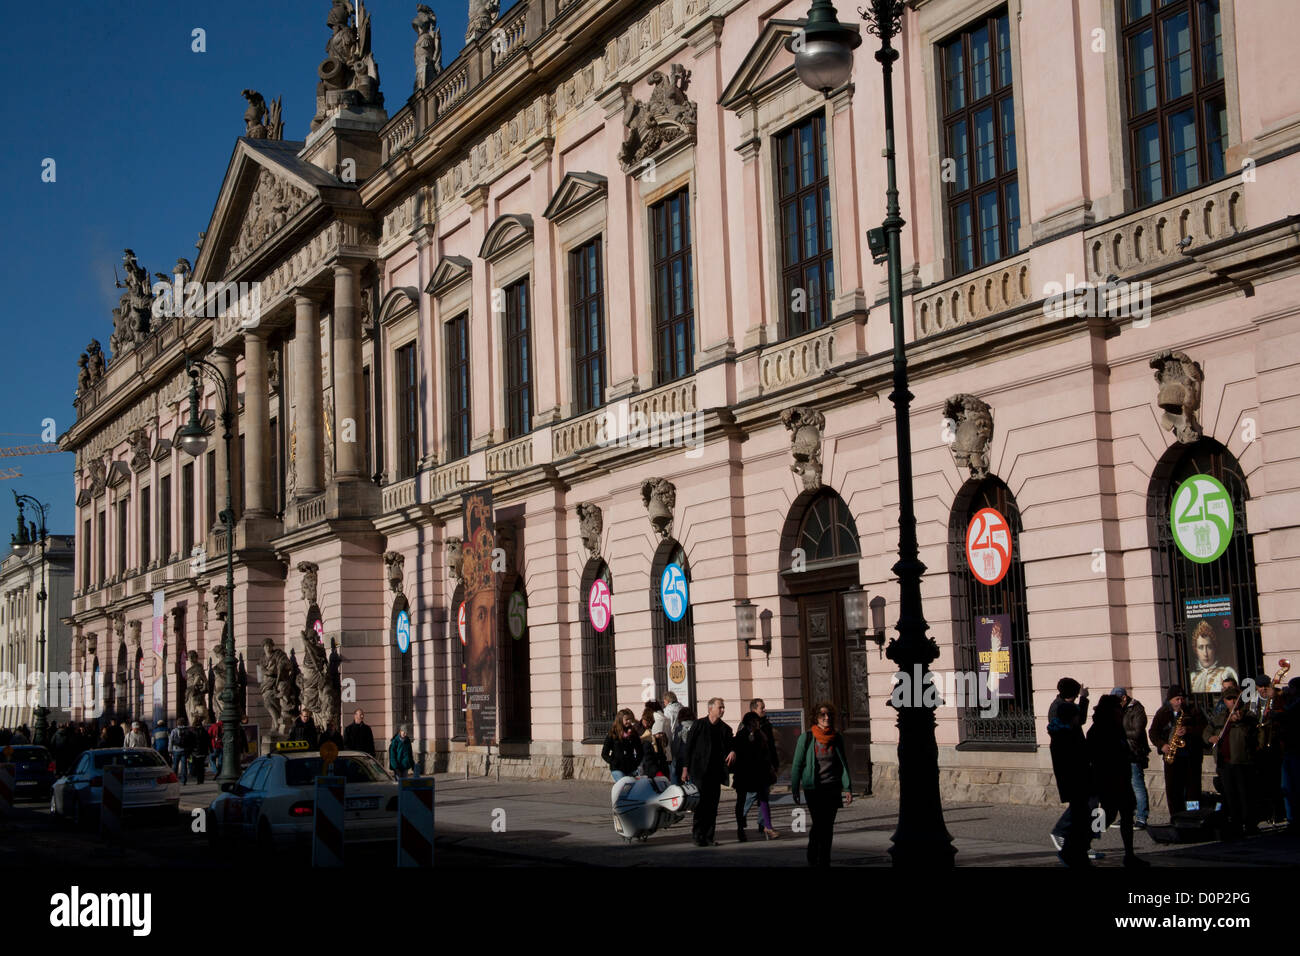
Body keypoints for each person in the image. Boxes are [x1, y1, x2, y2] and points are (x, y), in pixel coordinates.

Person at [1088, 694, 1148, 866]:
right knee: (1108, 816)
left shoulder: (1116, 727)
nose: (1120, 711)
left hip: (1122, 778)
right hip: (1108, 780)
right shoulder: (1098, 730)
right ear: (1109, 710)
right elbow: (1094, 755)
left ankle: (1129, 854)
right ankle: (1081, 840)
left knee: (1127, 816)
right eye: (1117, 708)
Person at [790, 702, 852, 866]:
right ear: (816, 717)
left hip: (832, 787)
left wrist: (847, 787)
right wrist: (795, 788)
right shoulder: (807, 737)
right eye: (822, 715)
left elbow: (842, 763)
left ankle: (825, 858)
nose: (826, 718)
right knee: (819, 823)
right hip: (814, 788)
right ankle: (813, 854)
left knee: (828, 825)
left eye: (829, 715)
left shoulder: (837, 737)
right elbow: (797, 764)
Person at [1048, 677, 1093, 866]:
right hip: (1074, 774)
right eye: (1075, 695)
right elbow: (1080, 720)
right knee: (1081, 809)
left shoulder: (1063, 710)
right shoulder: (1060, 712)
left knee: (1082, 808)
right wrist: (1083, 700)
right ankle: (1068, 840)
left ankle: (1078, 846)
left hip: (1076, 772)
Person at [680, 697, 735, 847]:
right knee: (700, 805)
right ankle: (698, 836)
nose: (722, 710)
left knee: (712, 806)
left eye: (723, 707)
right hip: (699, 772)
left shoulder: (725, 729)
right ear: (710, 709)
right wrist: (685, 768)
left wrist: (732, 751)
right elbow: (688, 747)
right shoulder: (698, 725)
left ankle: (709, 837)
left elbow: (732, 744)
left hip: (715, 773)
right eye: (720, 707)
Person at [1205, 682, 1258, 836]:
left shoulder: (1247, 716)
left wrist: (1240, 722)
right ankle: (1235, 824)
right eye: (1229, 699)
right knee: (1230, 796)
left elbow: (1250, 735)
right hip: (1224, 762)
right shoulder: (1220, 717)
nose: (1232, 702)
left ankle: (1249, 824)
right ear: (1224, 701)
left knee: (1244, 795)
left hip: (1241, 762)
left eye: (1235, 698)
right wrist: (1211, 738)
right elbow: (1207, 732)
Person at [1149, 684, 1207, 821]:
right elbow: (1153, 732)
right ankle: (1176, 817)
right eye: (1177, 699)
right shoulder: (1162, 713)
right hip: (1172, 757)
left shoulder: (1193, 712)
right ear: (1170, 700)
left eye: (1181, 699)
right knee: (1173, 790)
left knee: (1193, 790)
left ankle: (1194, 816)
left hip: (1191, 757)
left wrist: (1188, 730)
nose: (1180, 702)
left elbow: (1203, 729)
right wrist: (1162, 745)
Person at [733, 710, 778, 841]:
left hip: (760, 773)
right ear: (748, 723)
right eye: (754, 721)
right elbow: (738, 753)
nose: (757, 723)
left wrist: (771, 766)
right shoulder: (741, 735)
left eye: (757, 721)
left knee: (764, 799)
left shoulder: (761, 735)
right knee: (741, 802)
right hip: (744, 774)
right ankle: (740, 828)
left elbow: (766, 753)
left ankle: (767, 827)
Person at [1113, 687, 1151, 828]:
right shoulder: (1118, 710)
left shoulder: (1137, 709)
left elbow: (1137, 731)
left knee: (1137, 785)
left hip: (1134, 752)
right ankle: (1126, 816)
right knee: (1124, 787)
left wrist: (1119, 732)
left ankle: (1142, 817)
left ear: (1124, 697)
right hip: (1121, 753)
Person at [1189, 621, 1238, 694]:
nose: (1205, 653)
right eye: (1201, 647)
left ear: (1214, 648)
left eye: (1209, 647)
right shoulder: (1193, 677)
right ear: (1196, 650)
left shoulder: (1225, 673)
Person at [600, 709, 643, 781]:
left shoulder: (633, 733)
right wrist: (614, 761)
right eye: (626, 719)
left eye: (630, 719)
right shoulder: (613, 733)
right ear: (620, 720)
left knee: (631, 789)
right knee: (623, 785)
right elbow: (604, 753)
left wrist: (636, 763)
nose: (629, 721)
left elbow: (640, 751)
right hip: (617, 768)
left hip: (631, 767)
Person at [636, 702, 669, 778]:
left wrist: (661, 737)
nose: (647, 724)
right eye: (646, 721)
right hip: (646, 762)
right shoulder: (638, 728)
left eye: (649, 721)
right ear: (643, 718)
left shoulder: (655, 725)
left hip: (659, 759)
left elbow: (665, 743)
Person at [671, 707, 696, 784]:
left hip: (680, 759)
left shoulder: (679, 728)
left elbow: (675, 747)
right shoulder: (696, 727)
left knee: (679, 785)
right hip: (694, 761)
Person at [169, 719, 190, 785]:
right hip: (184, 750)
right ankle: (183, 780)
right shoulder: (186, 731)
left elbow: (171, 740)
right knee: (184, 766)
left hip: (176, 750)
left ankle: (174, 780)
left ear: (177, 723)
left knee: (175, 765)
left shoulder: (174, 731)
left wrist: (170, 750)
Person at [190, 719, 211, 785]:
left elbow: (190, 742)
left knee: (196, 766)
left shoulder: (192, 732)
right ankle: (201, 779)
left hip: (195, 752)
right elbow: (208, 741)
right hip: (203, 751)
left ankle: (198, 779)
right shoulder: (205, 732)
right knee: (201, 766)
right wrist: (210, 749)